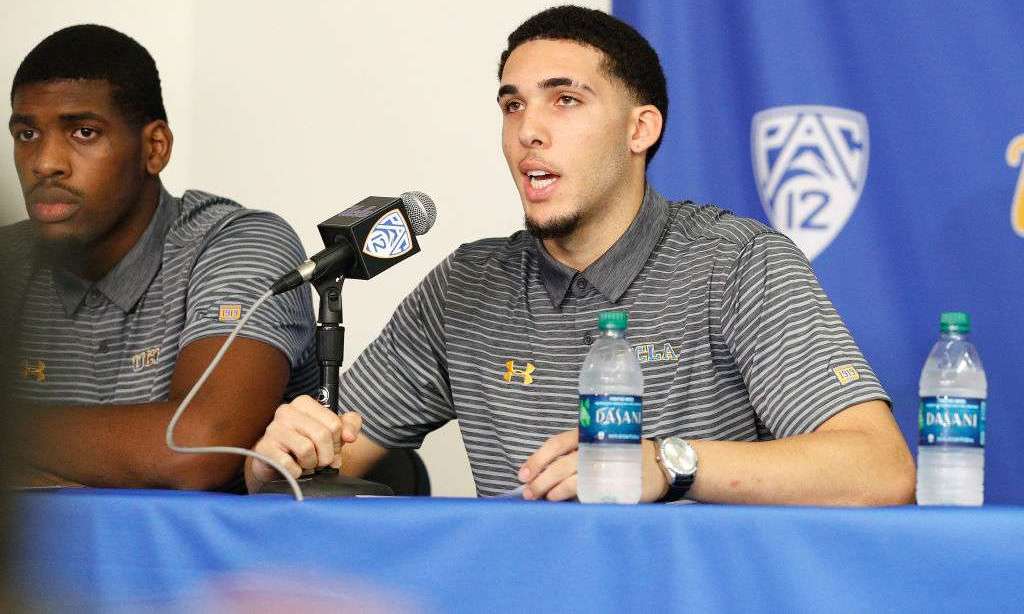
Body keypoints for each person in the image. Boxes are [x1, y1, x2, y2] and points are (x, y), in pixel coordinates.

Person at [246, 6, 915, 504]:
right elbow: (323, 467)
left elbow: (879, 469)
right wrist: (278, 458)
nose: (528, 131)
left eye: (565, 100)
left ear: (639, 129)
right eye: (513, 105)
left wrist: (668, 465)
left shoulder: (737, 263)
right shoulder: (466, 286)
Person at [2, 25, 317, 490]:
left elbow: (198, 448)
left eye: (84, 132)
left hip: (198, 543)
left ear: (155, 148)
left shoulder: (238, 243)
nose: (45, 163)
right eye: (27, 133)